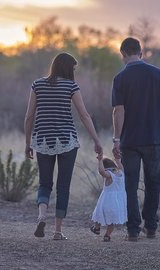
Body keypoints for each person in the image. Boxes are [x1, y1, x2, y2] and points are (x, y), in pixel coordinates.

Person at [24, 52, 103, 240]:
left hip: (42, 140)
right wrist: (96, 140)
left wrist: (28, 143)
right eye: (73, 69)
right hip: (67, 141)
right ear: (68, 68)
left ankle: (42, 215)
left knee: (44, 183)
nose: (74, 72)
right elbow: (84, 115)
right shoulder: (71, 86)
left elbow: (29, 116)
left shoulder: (38, 84)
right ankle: (58, 231)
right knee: (63, 186)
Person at [111, 37, 160, 241]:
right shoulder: (156, 73)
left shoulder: (120, 78)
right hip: (153, 139)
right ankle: (151, 227)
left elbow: (118, 111)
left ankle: (132, 230)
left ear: (122, 54)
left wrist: (116, 139)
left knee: (130, 185)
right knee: (153, 183)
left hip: (130, 141)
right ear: (141, 52)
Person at [90, 156, 127, 242]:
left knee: (99, 214)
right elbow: (120, 165)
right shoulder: (121, 172)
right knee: (111, 221)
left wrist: (99, 161)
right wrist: (117, 160)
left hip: (107, 201)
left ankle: (97, 228)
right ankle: (107, 235)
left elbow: (101, 171)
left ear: (106, 168)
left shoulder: (109, 175)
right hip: (118, 203)